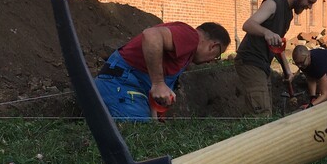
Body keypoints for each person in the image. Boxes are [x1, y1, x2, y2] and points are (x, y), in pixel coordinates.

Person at [94, 21, 230, 121]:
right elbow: (151, 35)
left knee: (151, 135)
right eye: (217, 55)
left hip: (130, 86)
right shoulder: (191, 37)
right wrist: (158, 83)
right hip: (118, 84)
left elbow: (150, 87)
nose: (213, 60)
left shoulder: (186, 55)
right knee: (138, 135)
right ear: (213, 46)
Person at [235, 0, 323, 115]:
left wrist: (287, 70)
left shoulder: (288, 15)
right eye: (309, 1)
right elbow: (248, 24)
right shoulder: (273, 4)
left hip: (263, 65)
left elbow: (277, 46)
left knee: (264, 109)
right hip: (250, 61)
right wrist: (266, 32)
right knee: (261, 113)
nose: (310, 7)